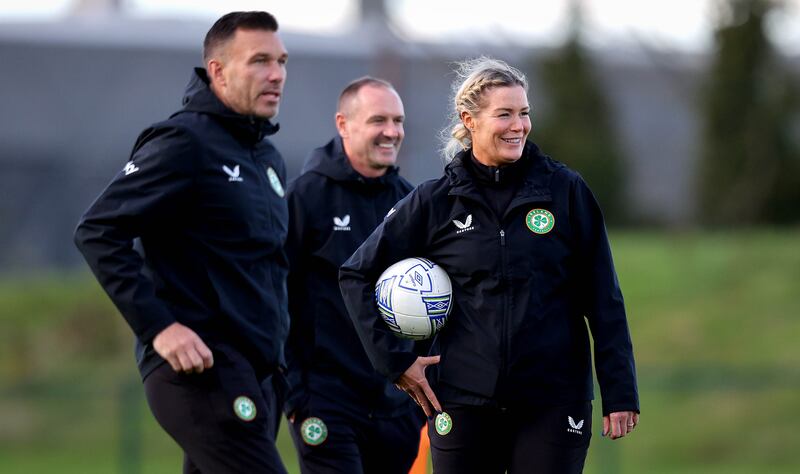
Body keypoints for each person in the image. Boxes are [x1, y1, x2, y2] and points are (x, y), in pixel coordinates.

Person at [339, 57, 640, 474]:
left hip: (553, 403)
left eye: (524, 113)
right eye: (504, 114)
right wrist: (395, 362)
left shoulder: (565, 191)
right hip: (461, 402)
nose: (518, 126)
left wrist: (620, 390)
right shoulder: (435, 201)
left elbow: (604, 297)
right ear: (470, 120)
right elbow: (355, 274)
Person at [74, 11, 290, 474]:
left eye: (281, 61)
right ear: (218, 72)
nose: (276, 74)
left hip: (259, 375)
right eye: (259, 61)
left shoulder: (267, 157)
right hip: (202, 369)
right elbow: (98, 230)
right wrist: (159, 327)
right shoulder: (184, 142)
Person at [284, 76, 424, 474]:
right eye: (378, 120)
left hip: (397, 409)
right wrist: (294, 394)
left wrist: (416, 402)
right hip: (325, 403)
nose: (392, 132)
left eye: (398, 121)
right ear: (343, 124)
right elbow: (274, 296)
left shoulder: (411, 202)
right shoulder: (305, 197)